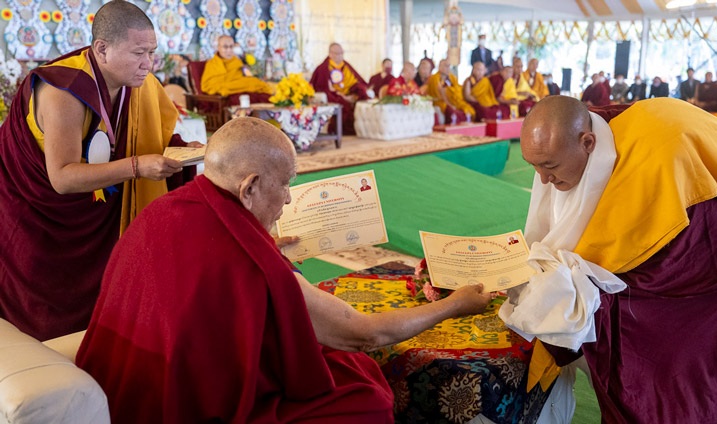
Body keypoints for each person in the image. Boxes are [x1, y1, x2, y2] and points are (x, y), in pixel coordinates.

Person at [76, 117, 492, 422]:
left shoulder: (161, 210)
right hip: (187, 407)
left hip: (122, 386)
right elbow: (366, 334)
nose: (289, 200)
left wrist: (266, 249)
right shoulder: (251, 263)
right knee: (363, 392)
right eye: (286, 183)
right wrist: (456, 304)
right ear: (249, 186)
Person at [501, 95, 717, 423]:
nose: (543, 180)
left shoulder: (648, 180)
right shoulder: (590, 127)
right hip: (674, 146)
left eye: (549, 167)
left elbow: (642, 269)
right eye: (534, 165)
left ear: (588, 143)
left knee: (671, 372)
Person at [0, 0, 202, 341]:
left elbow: (149, 133)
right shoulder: (61, 91)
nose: (148, 65)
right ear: (102, 49)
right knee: (49, 317)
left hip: (102, 210)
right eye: (139, 53)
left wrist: (182, 149)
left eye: (152, 52)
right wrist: (137, 167)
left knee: (108, 299)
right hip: (39, 218)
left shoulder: (138, 84)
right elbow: (62, 179)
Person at [310, 42, 369, 135]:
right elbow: (323, 88)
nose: (340, 56)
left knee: (362, 91)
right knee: (342, 103)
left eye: (342, 53)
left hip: (349, 92)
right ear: (330, 54)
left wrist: (353, 94)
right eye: (338, 53)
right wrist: (344, 96)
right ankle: (341, 130)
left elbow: (357, 80)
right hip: (335, 94)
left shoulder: (345, 65)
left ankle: (364, 129)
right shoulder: (323, 68)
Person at [200, 35, 273, 102]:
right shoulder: (212, 63)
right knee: (253, 83)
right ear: (218, 47)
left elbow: (242, 77)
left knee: (255, 82)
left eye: (231, 47)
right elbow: (207, 85)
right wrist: (224, 86)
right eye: (225, 47)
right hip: (226, 87)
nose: (229, 50)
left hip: (237, 85)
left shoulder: (236, 61)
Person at [425, 59, 476, 123]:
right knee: (451, 111)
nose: (448, 68)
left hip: (455, 101)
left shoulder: (452, 78)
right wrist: (450, 103)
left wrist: (448, 90)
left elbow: (457, 90)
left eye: (449, 66)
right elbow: (439, 95)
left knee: (468, 108)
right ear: (440, 67)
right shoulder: (434, 79)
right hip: (440, 102)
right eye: (446, 66)